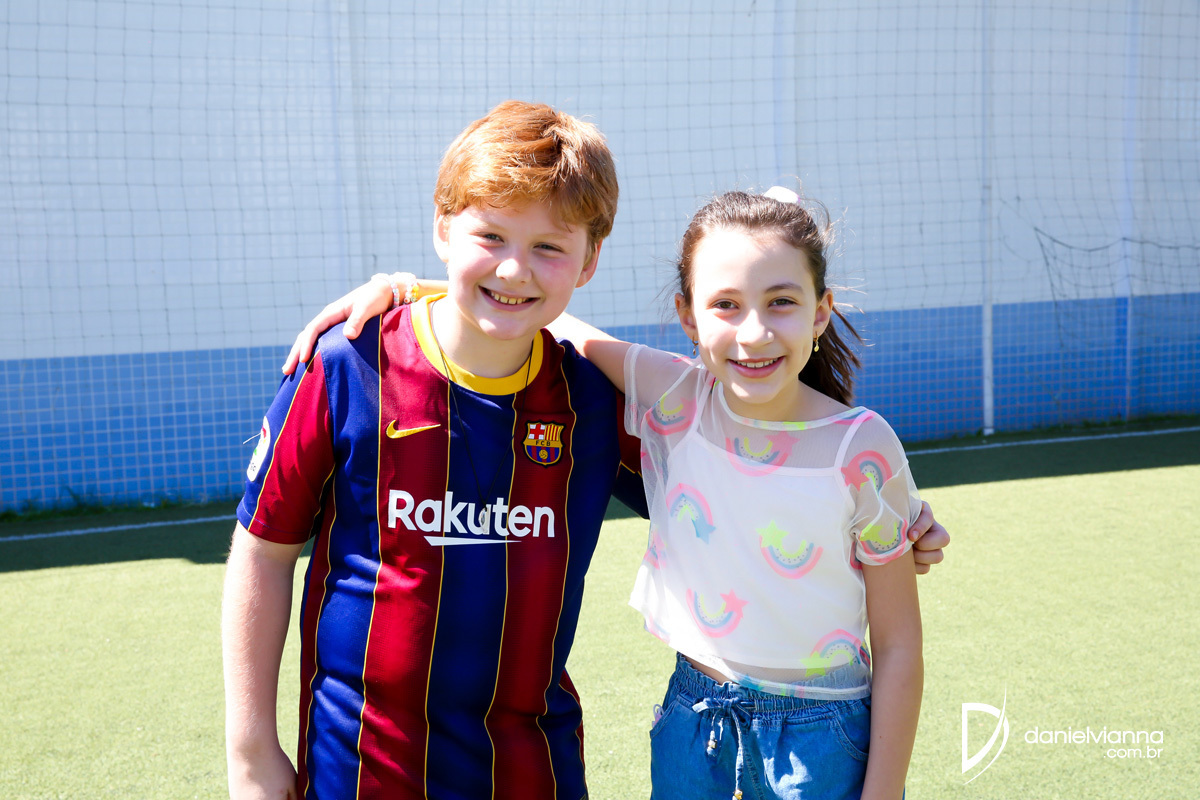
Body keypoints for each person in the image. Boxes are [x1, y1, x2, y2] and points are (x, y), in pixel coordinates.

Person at [284, 184, 947, 799]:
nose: (753, 332)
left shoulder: (861, 447)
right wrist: (406, 286)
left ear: (821, 312)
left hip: (821, 732)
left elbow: (898, 647)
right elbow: (550, 317)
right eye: (725, 304)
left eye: (782, 302)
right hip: (693, 719)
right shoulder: (675, 397)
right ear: (688, 316)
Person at [223, 100, 639, 800]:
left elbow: (727, 463)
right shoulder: (348, 365)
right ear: (443, 228)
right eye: (491, 236)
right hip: (360, 768)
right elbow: (264, 550)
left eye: (549, 247)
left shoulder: (595, 402)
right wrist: (250, 750)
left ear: (590, 261)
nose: (515, 270)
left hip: (531, 769)